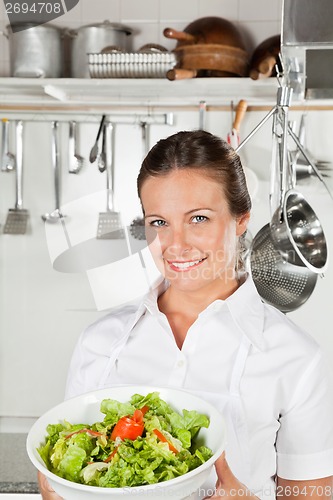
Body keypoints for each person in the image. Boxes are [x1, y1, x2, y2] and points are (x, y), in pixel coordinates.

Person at [38, 130, 333, 499]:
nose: (176, 245)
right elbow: (64, 472)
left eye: (198, 219)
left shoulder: (296, 358)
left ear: (241, 218)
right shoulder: (99, 342)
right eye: (159, 222)